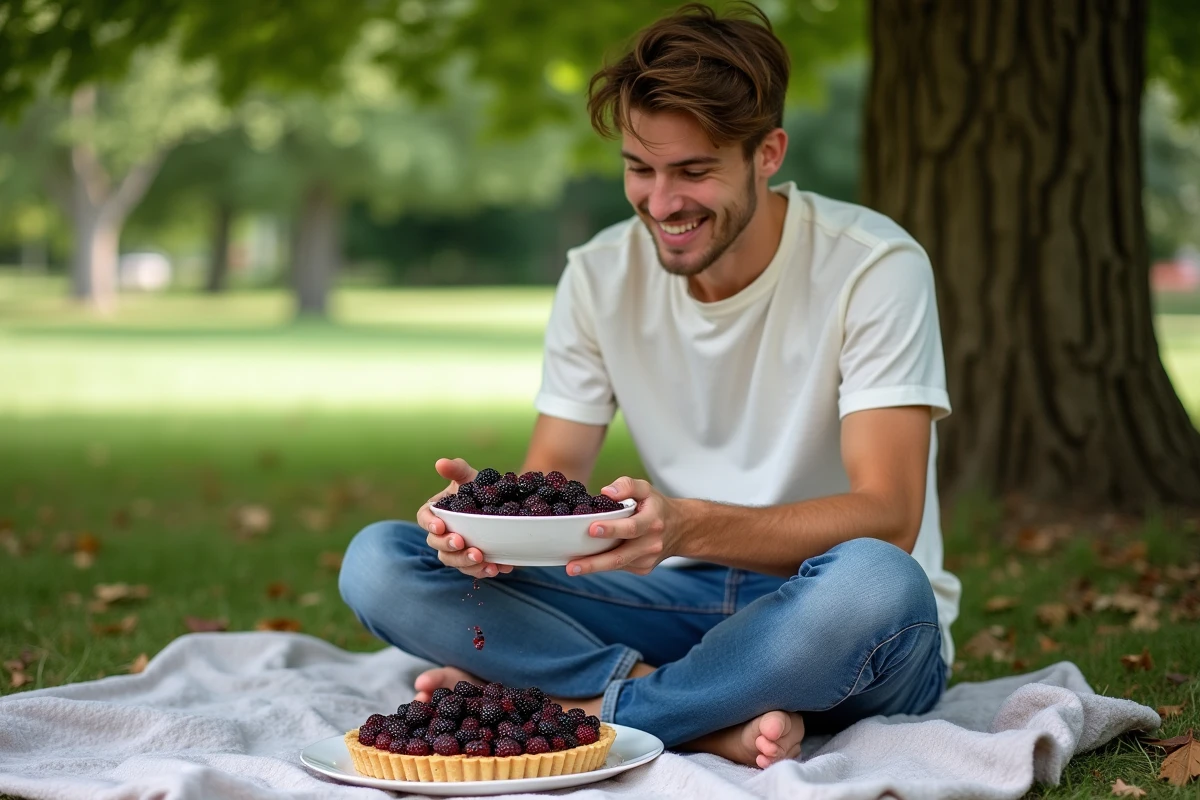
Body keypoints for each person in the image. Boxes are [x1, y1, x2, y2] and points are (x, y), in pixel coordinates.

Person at [339, 1, 961, 769]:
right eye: (641, 169)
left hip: (827, 613)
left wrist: (686, 526)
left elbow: (888, 516)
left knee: (877, 580)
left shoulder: (874, 267)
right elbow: (554, 477)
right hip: (669, 602)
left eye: (694, 171)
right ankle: (693, 712)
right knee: (379, 561)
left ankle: (584, 709)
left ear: (767, 154)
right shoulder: (599, 275)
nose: (661, 203)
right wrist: (491, 524)